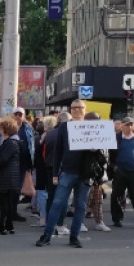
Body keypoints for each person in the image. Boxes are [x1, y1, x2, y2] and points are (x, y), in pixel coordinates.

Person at [37, 100, 93, 248]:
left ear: (85, 109)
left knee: (80, 206)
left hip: (86, 173)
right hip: (67, 171)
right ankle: (47, 235)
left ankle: (74, 237)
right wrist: (56, 173)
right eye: (73, 108)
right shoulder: (64, 127)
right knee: (57, 203)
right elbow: (58, 151)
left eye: (79, 108)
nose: (76, 110)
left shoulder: (92, 127)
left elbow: (102, 151)